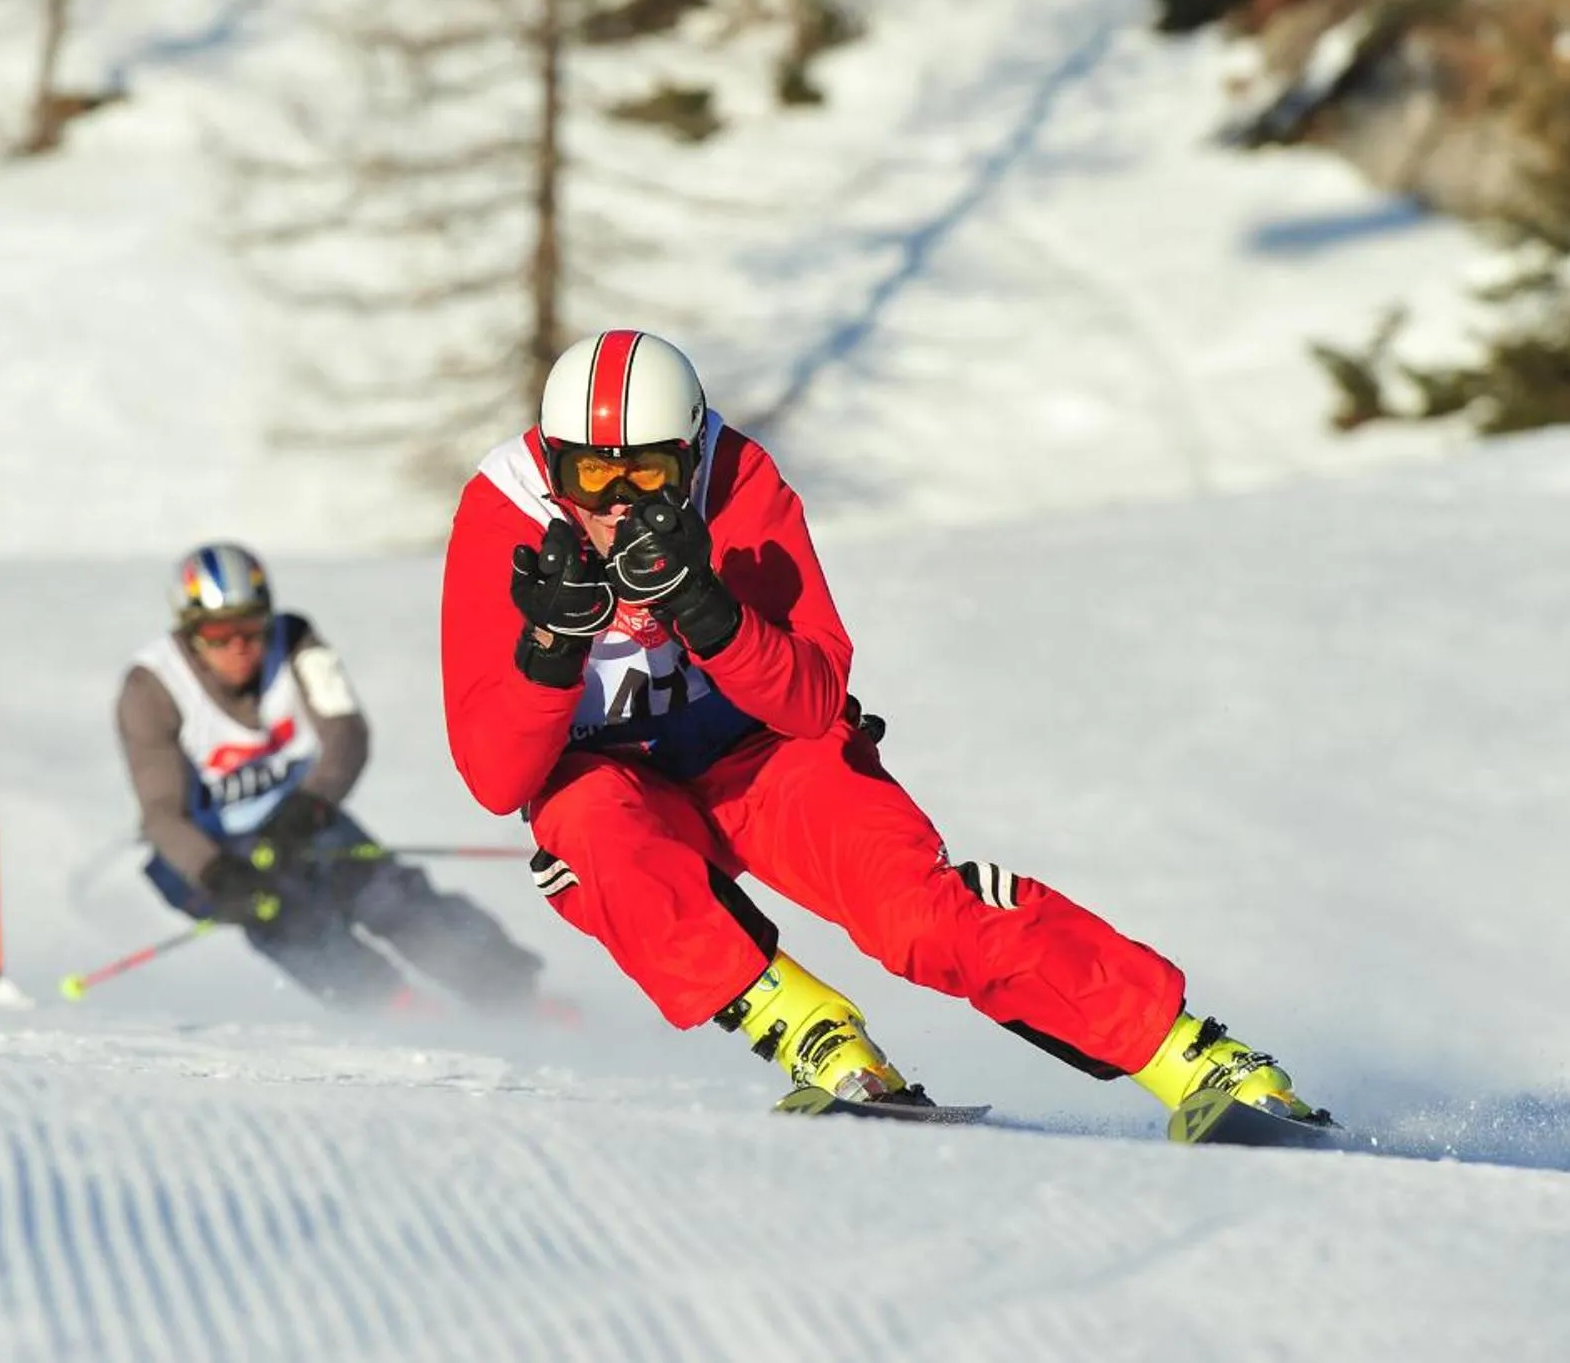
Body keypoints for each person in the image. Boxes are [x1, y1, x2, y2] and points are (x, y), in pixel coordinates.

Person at [438, 328, 1328, 1124]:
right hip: (623, 785)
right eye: (591, 473)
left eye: (649, 474)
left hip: (762, 758)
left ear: (690, 451)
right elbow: (498, 780)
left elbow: (813, 697)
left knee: (916, 916)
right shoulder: (505, 511)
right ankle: (807, 1028)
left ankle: (1188, 1051)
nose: (618, 502)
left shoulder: (738, 479)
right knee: (587, 835)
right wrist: (552, 649)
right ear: (554, 462)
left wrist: (705, 608)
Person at [118, 541, 548, 1015]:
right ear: (191, 632)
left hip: (296, 810)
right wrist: (216, 874)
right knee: (285, 916)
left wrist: (313, 804)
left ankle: (512, 993)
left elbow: (347, 735)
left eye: (252, 627)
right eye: (220, 633)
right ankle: (390, 1007)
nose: (240, 647)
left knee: (387, 892)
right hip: (204, 845)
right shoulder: (151, 687)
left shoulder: (296, 641)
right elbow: (161, 816)